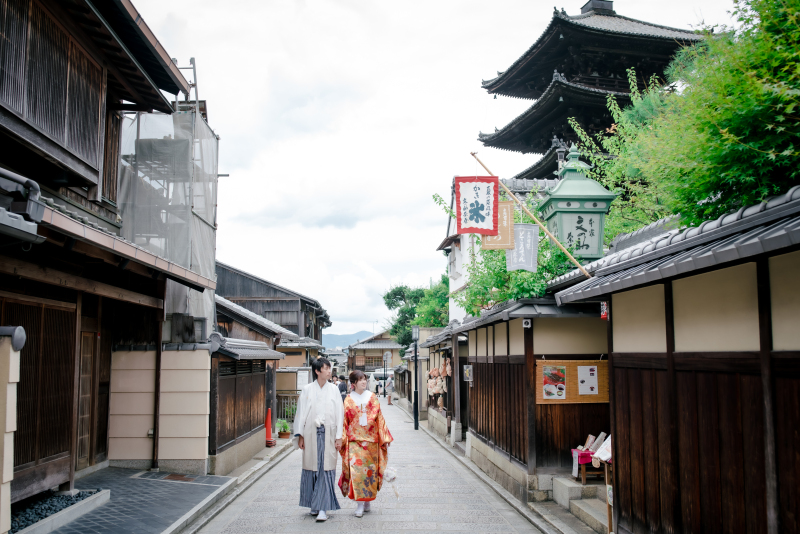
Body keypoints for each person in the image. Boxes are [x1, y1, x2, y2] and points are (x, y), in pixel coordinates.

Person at [293, 357, 343, 522]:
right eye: (326, 368)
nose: (330, 371)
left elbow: (339, 414)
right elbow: (301, 413)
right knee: (312, 468)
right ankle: (314, 504)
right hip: (310, 433)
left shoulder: (334, 389)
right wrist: (300, 435)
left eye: (330, 368)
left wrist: (339, 437)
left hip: (329, 432)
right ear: (317, 371)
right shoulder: (307, 389)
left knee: (325, 468)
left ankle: (323, 507)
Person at [339, 370, 393, 517]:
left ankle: (367, 501)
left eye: (365, 379)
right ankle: (360, 504)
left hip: (371, 442)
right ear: (353, 383)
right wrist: (341, 439)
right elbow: (344, 422)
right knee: (357, 473)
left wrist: (385, 438)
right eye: (360, 380)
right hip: (355, 441)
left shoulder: (373, 397)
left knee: (370, 473)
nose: (364, 382)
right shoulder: (348, 400)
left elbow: (379, 419)